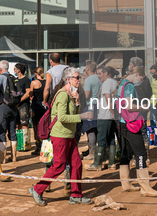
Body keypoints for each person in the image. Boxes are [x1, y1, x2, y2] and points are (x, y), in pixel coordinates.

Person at [30, 67, 93, 206]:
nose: (79, 80)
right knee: (59, 165)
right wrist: (81, 116)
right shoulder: (62, 94)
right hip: (60, 135)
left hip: (68, 135)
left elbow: (70, 113)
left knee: (76, 164)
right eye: (77, 77)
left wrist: (77, 103)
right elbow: (62, 118)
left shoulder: (70, 94)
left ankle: (76, 195)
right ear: (69, 79)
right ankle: (37, 189)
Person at [114, 66, 157, 196]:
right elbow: (129, 106)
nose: (140, 81)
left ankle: (125, 183)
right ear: (136, 75)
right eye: (141, 78)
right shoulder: (129, 86)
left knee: (126, 153)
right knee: (141, 153)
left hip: (122, 123)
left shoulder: (121, 84)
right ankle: (145, 187)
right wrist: (143, 108)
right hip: (131, 125)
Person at [88, 66, 118, 171]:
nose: (98, 76)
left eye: (100, 73)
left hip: (105, 115)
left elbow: (108, 100)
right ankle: (112, 163)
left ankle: (97, 163)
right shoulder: (115, 82)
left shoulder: (107, 83)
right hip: (111, 116)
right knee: (111, 139)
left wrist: (112, 113)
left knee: (101, 139)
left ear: (107, 73)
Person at [0, 60, 19, 163]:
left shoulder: (0, 77)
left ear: (0, 69)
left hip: (3, 106)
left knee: (1, 131)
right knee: (12, 131)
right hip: (13, 107)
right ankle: (14, 156)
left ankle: (2, 158)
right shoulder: (13, 77)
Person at [82, 60, 101, 160]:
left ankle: (92, 153)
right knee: (96, 129)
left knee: (90, 130)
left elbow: (86, 95)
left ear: (88, 68)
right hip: (99, 106)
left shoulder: (88, 80)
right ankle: (93, 150)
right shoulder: (99, 77)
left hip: (90, 106)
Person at [29, 67, 47, 154]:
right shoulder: (47, 82)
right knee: (45, 125)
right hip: (45, 106)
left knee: (36, 126)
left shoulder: (34, 82)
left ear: (36, 74)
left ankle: (38, 146)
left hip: (36, 105)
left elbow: (31, 94)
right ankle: (45, 144)